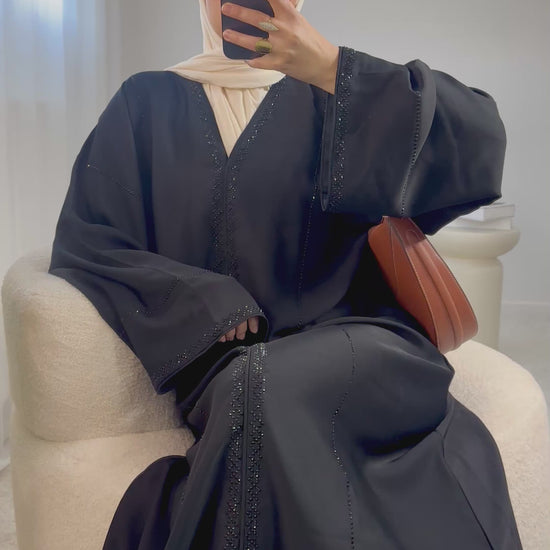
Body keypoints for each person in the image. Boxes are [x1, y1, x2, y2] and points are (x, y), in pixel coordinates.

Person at [47, 0, 523, 548]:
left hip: (358, 338)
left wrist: (331, 67)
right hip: (228, 366)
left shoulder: (332, 93)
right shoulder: (144, 103)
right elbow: (89, 239)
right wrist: (200, 301)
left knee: (266, 386)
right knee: (257, 386)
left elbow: (481, 143)